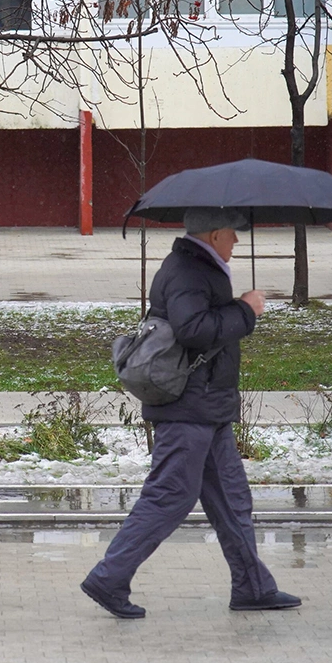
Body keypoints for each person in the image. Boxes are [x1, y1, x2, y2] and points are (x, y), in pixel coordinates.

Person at [80, 207, 301, 619]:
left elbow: (197, 323)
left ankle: (252, 587)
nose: (236, 241)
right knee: (170, 496)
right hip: (188, 408)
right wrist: (245, 311)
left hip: (206, 406)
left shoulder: (198, 267)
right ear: (215, 234)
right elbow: (192, 329)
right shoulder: (188, 271)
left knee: (233, 501)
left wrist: (235, 307)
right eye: (232, 234)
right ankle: (110, 577)